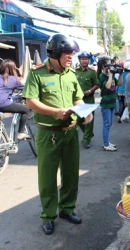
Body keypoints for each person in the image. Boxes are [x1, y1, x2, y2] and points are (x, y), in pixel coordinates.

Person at [23, 34, 92, 235]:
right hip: (48, 134)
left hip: (69, 133)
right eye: (68, 53)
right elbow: (31, 102)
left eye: (72, 53)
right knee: (47, 177)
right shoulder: (37, 74)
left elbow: (78, 98)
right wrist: (55, 112)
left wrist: (84, 112)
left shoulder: (71, 74)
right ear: (55, 53)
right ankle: (48, 215)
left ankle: (67, 209)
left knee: (71, 174)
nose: (71, 57)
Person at [0, 59, 32, 140]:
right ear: (12, 69)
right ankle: (21, 133)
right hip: (2, 104)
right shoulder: (14, 79)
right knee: (26, 110)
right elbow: (26, 90)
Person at [97, 57, 123, 151]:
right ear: (104, 66)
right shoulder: (101, 76)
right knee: (106, 124)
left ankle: (107, 142)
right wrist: (111, 74)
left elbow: (119, 84)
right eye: (109, 64)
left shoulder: (109, 75)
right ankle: (106, 144)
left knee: (109, 124)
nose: (112, 66)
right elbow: (108, 86)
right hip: (106, 104)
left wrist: (120, 74)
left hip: (112, 103)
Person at [75, 51, 100, 149]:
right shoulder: (75, 71)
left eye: (86, 59)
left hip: (89, 99)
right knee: (78, 119)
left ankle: (86, 140)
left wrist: (90, 90)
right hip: (77, 100)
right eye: (83, 59)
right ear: (80, 60)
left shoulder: (92, 72)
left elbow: (97, 84)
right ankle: (88, 134)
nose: (84, 61)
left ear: (88, 60)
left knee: (88, 120)